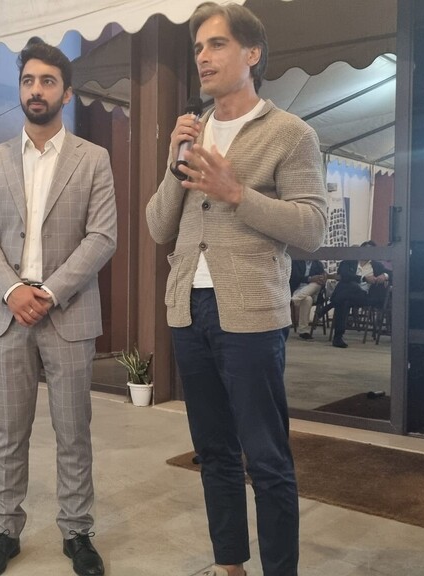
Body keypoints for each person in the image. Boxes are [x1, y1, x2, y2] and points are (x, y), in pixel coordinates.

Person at [145, 3, 328, 576]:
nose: (203, 56)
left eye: (217, 44)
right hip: (188, 309)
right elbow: (158, 226)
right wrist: (174, 163)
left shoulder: (290, 134)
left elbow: (312, 228)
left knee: (266, 458)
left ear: (252, 54)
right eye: (198, 47)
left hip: (251, 315)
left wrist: (237, 193)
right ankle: (230, 565)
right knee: (215, 452)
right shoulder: (192, 132)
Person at [0, 38, 117, 576]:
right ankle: (4, 530)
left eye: (47, 82)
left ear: (66, 93)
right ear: (21, 88)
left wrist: (49, 292)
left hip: (67, 313)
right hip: (8, 313)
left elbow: (102, 237)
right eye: (29, 80)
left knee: (73, 431)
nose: (37, 90)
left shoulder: (92, 159)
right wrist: (13, 290)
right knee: (10, 431)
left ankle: (77, 532)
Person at [326, 240, 391, 348]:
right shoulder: (349, 262)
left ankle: (330, 305)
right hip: (348, 295)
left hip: (364, 296)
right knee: (345, 299)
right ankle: (338, 338)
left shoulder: (377, 265)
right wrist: (363, 278)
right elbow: (343, 275)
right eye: (365, 250)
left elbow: (392, 274)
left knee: (349, 288)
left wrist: (385, 276)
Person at [289, 258, 326, 340]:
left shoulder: (318, 264)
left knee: (315, 284)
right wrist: (310, 279)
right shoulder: (296, 262)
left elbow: (322, 279)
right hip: (299, 289)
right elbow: (293, 278)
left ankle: (295, 299)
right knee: (307, 300)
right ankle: (303, 331)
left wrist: (322, 279)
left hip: (314, 291)